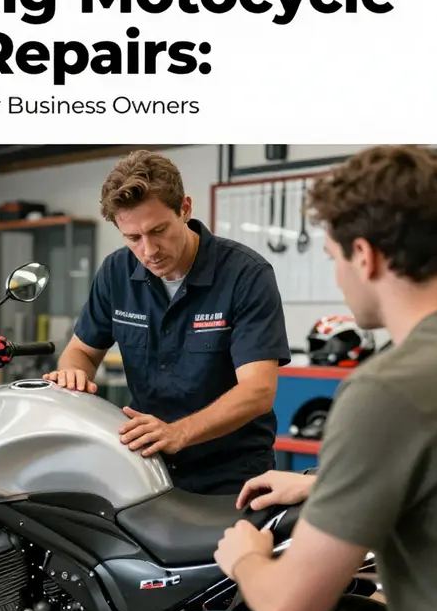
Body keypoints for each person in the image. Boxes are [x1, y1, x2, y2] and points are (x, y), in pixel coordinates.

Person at [161, 144, 437, 611]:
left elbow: (290, 609)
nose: (337, 276)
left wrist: (247, 560)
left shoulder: (389, 389)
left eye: (334, 256)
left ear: (366, 256)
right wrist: (323, 483)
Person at [42, 150, 291, 495]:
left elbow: (258, 391)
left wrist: (179, 433)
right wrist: (74, 375)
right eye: (133, 238)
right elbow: (81, 351)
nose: (149, 250)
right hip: (146, 467)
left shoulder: (246, 275)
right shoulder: (116, 272)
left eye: (158, 230)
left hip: (231, 477)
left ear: (185, 209)